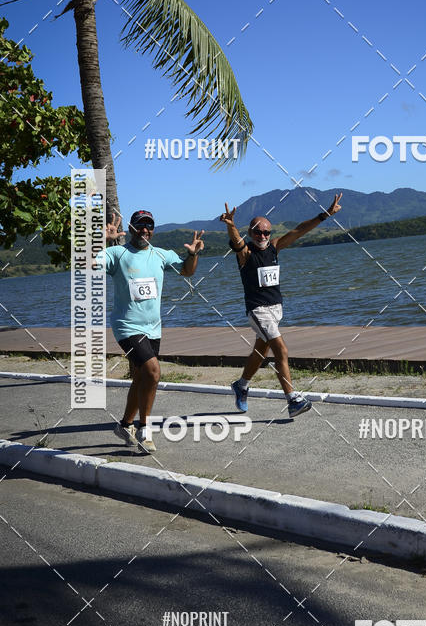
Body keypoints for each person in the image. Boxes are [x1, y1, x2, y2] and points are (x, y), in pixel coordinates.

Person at [220, 193, 342, 418]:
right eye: (258, 231)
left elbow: (299, 230)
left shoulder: (274, 247)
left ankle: (241, 385)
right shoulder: (246, 253)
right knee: (281, 349)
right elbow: (237, 243)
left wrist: (325, 215)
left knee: (261, 350)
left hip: (276, 310)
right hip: (258, 310)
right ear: (251, 233)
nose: (263, 235)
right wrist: (231, 225)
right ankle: (292, 399)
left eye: (267, 232)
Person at [100, 210, 204, 452]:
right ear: (132, 228)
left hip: (153, 328)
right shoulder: (117, 253)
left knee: (141, 377)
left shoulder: (161, 255)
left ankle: (125, 425)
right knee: (153, 372)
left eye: (149, 226)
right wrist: (102, 241)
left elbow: (187, 271)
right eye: (139, 226)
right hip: (126, 327)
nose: (145, 230)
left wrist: (193, 254)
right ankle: (145, 430)